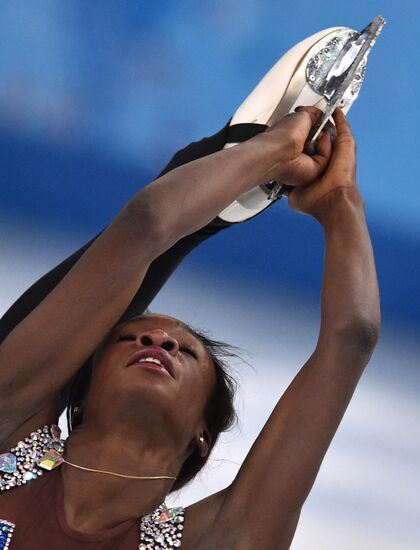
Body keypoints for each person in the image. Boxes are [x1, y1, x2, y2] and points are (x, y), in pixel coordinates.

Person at [0, 101, 380, 549]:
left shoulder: (219, 539)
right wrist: (274, 148)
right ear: (78, 394)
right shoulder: (7, 428)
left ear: (204, 428)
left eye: (187, 351)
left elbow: (351, 336)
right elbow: (146, 223)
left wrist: (339, 200)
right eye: (129, 338)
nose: (156, 338)